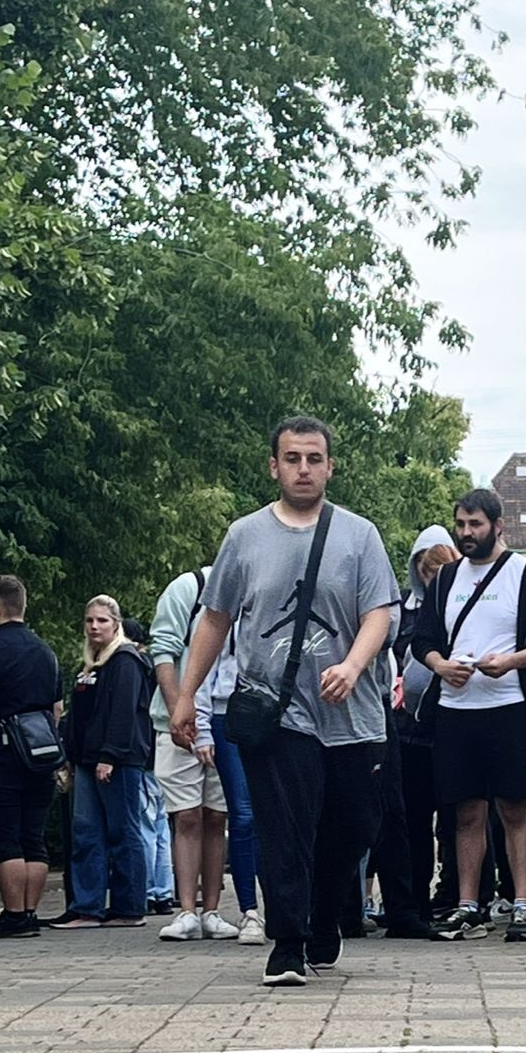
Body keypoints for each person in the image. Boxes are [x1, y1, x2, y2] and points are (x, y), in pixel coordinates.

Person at [171, 415, 399, 986]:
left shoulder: (359, 535)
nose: (303, 469)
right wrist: (187, 695)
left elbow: (379, 612)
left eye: (314, 459)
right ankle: (288, 943)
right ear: (274, 466)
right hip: (273, 709)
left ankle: (325, 915)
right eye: (292, 458)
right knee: (283, 825)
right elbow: (215, 618)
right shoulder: (245, 536)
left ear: (330, 467)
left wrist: (353, 665)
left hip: (351, 712)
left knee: (355, 824)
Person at [412, 487, 526, 943]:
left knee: (514, 807)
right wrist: (441, 666)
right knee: (465, 811)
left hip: (510, 707)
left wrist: (511, 661)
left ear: (498, 526)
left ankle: (522, 904)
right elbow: (423, 640)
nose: (466, 533)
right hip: (456, 710)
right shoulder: (445, 579)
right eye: (460, 524)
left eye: (475, 524)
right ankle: (467, 905)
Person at [0, 574, 63, 940]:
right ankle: (29, 913)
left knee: (4, 836)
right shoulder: (45, 651)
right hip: (40, 754)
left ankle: (14, 914)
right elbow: (56, 708)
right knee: (32, 836)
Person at [49, 596, 152, 928]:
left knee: (123, 831)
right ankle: (87, 907)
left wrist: (110, 755)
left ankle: (129, 907)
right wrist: (69, 754)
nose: (94, 626)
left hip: (117, 760)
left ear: (116, 624)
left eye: (102, 620)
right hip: (86, 759)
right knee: (86, 832)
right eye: (89, 620)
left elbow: (123, 711)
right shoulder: (90, 664)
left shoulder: (125, 660)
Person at [149, 566, 239, 943]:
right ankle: (186, 909)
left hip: (226, 720)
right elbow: (163, 651)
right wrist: (178, 712)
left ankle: (212, 910)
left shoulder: (250, 589)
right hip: (177, 720)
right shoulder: (189, 587)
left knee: (217, 816)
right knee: (186, 815)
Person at [394, 528, 459, 922]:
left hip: (452, 727)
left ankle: (456, 893)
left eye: (438, 570)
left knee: (457, 818)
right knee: (414, 818)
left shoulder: (463, 608)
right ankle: (414, 898)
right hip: (410, 730)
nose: (431, 578)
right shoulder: (404, 610)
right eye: (425, 570)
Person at [201, 635, 265, 945]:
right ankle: (249, 911)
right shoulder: (219, 613)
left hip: (279, 711)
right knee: (243, 815)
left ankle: (286, 907)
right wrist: (202, 730)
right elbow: (203, 666)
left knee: (278, 814)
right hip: (227, 713)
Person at [123, 617, 175, 914]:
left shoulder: (135, 667)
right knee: (161, 825)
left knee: (145, 824)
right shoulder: (155, 666)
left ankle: (146, 889)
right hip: (160, 752)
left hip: (143, 755)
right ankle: (164, 890)